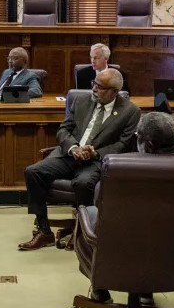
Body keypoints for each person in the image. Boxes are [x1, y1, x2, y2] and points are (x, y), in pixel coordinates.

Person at [19, 69, 140, 251]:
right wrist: (74, 147)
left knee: (83, 183)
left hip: (95, 160)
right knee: (33, 172)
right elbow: (63, 130)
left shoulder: (130, 112)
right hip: (69, 154)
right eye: (94, 84)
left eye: (100, 87)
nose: (94, 89)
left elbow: (122, 145)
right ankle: (44, 232)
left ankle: (82, 233)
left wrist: (95, 153)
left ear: (114, 92)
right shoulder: (81, 100)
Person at [86, 111, 174, 305]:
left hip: (121, 245)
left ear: (148, 145)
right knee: (154, 235)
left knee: (89, 214)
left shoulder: (120, 168)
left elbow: (99, 201)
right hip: (173, 245)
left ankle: (100, 288)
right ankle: (146, 290)